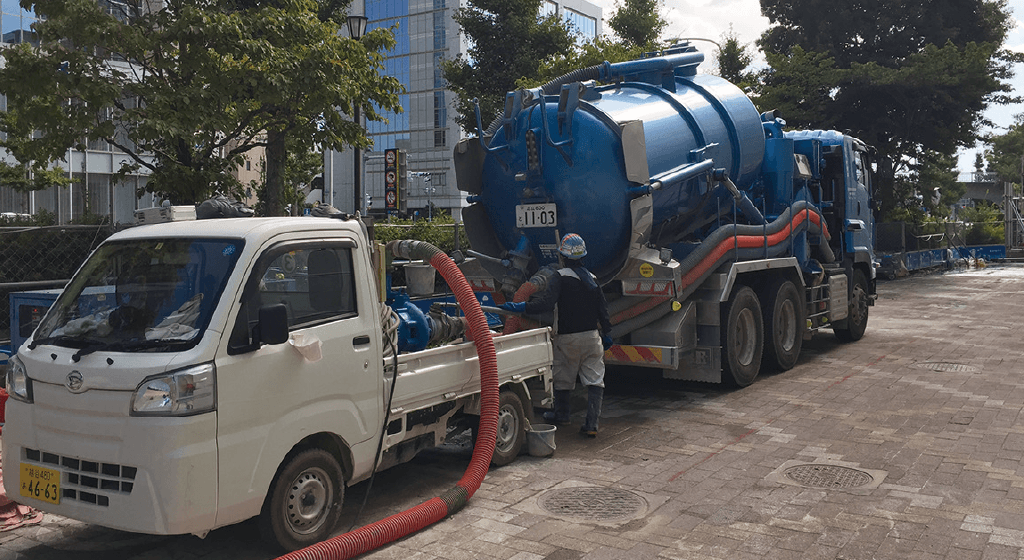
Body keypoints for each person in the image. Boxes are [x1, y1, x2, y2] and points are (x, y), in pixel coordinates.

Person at [500, 233, 612, 437]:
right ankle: (592, 425)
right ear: (583, 256)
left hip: (568, 338)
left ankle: (562, 415)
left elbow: (546, 304)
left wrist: (521, 306)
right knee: (595, 380)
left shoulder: (560, 277)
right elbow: (602, 309)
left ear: (563, 256)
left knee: (563, 378)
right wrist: (608, 333)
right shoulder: (593, 279)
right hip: (592, 337)